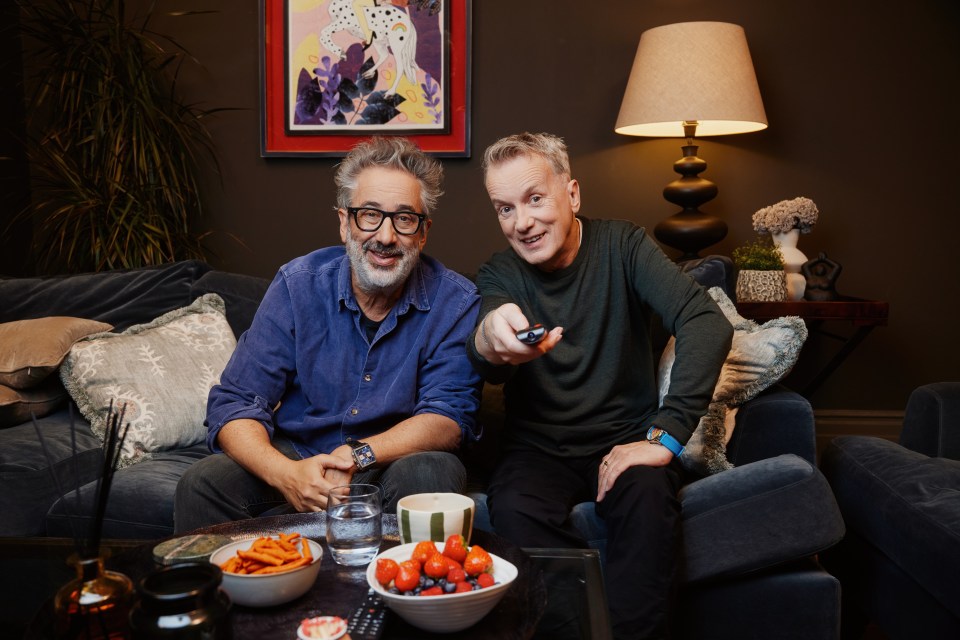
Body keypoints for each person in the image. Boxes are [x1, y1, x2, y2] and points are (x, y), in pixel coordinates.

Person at [467, 133, 733, 639]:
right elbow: (487, 345)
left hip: (625, 441)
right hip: (537, 453)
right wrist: (491, 338)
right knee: (515, 507)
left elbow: (705, 321)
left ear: (573, 194)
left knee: (649, 498)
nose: (521, 223)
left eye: (534, 199)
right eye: (504, 209)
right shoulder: (501, 272)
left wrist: (664, 437)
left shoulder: (624, 245)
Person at [175, 136, 482, 532]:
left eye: (404, 219)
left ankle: (396, 593)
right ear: (344, 222)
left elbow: (447, 418)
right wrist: (286, 473)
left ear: (422, 233)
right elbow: (236, 403)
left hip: (394, 459)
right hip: (301, 454)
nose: (386, 237)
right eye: (370, 215)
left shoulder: (455, 301)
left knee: (430, 472)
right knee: (201, 485)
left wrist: (358, 455)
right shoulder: (297, 285)